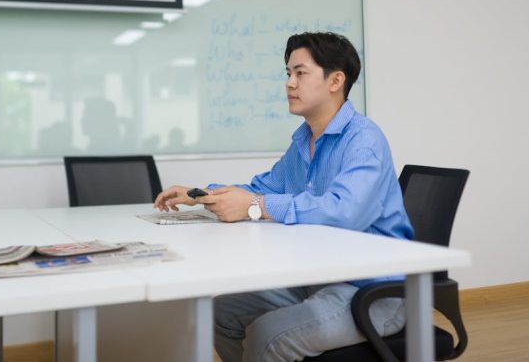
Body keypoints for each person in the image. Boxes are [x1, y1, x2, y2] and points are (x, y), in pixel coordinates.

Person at [154, 32, 413, 362]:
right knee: (219, 313)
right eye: (288, 73)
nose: (290, 83)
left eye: (300, 73)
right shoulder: (305, 141)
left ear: (336, 80)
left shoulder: (364, 140)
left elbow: (345, 211)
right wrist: (200, 195)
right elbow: (265, 188)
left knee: (267, 336)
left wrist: (254, 207)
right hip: (318, 277)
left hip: (371, 292)